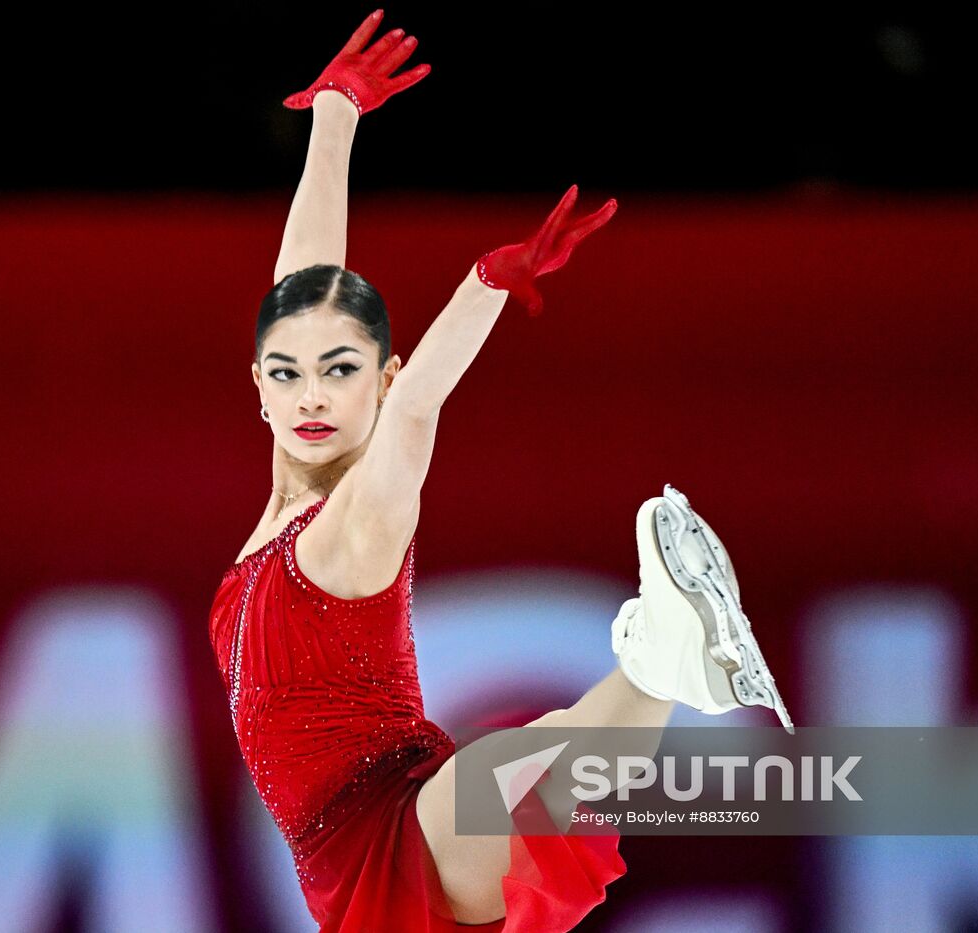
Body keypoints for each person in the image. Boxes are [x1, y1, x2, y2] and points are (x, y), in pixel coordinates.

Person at [208, 10, 793, 931]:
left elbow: (416, 410)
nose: (311, 395)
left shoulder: (360, 522)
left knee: (506, 781)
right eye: (287, 375)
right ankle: (661, 663)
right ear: (260, 387)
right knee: (514, 780)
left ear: (381, 379)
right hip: (346, 874)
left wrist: (483, 286)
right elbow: (302, 297)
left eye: (340, 374)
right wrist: (333, 114)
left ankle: (666, 658)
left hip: (415, 819)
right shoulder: (287, 497)